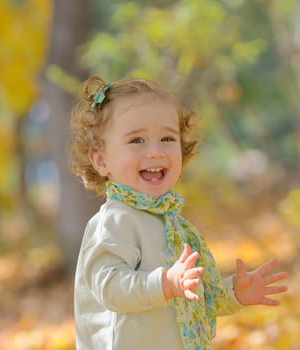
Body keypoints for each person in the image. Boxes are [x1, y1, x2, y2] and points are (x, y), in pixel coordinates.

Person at [69, 75, 288, 350]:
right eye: (136, 140)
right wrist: (165, 282)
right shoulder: (115, 221)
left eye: (167, 138)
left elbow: (189, 296)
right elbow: (109, 287)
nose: (155, 151)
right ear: (101, 160)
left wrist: (233, 292)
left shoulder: (171, 222)